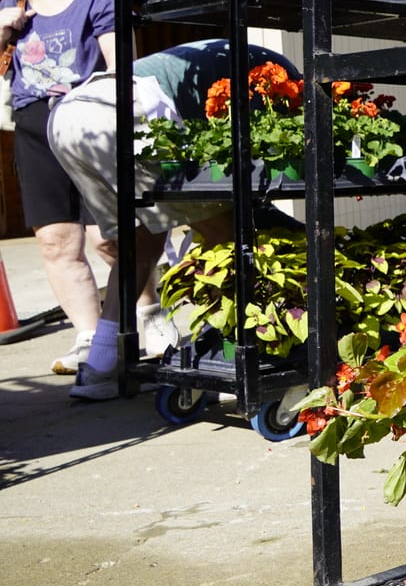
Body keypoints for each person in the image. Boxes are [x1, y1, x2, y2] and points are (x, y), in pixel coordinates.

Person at [47, 38, 300, 400]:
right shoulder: (277, 82)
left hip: (68, 118)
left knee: (138, 242)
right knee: (224, 232)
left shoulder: (224, 56)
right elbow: (251, 177)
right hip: (124, 115)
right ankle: (236, 346)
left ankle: (100, 367)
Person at [0, 0, 122, 363]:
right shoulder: (13, 1)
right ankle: (90, 338)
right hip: (35, 125)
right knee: (56, 239)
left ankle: (147, 316)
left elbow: (118, 64)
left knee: (106, 239)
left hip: (88, 120)